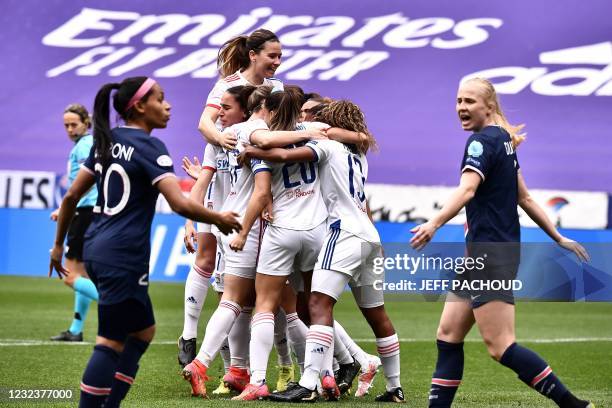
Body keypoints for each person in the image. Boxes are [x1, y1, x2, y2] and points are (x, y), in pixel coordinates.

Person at [49, 76, 241, 408]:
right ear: (139, 106)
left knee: (143, 331)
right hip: (122, 252)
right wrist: (220, 218)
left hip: (97, 245)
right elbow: (179, 203)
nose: (168, 106)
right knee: (110, 341)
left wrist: (57, 246)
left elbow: (69, 197)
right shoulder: (150, 147)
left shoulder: (105, 142)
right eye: (160, 99)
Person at [409, 77, 592, 408]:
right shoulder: (504, 140)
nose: (461, 108)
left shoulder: (481, 143)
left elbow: (467, 190)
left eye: (469, 102)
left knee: (501, 346)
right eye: (458, 101)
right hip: (484, 256)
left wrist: (433, 224)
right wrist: (559, 236)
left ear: (488, 106)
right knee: (448, 336)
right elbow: (525, 197)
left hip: (490, 255)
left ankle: (575, 406)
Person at [239, 100, 405, 403]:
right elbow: (362, 139)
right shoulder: (360, 155)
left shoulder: (328, 148)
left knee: (316, 304)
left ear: (331, 124)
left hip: (343, 234)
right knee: (377, 314)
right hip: (370, 236)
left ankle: (308, 383)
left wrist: (251, 152)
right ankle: (395, 387)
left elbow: (283, 154)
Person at [49, 104, 99, 342]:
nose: (69, 129)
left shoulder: (85, 146)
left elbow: (87, 180)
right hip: (88, 211)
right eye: (66, 125)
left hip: (84, 213)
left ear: (86, 123)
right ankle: (76, 330)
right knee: (83, 276)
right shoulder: (84, 145)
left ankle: (123, 310)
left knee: (69, 276)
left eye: (74, 124)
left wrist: (68, 207)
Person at [199, 28, 283, 150]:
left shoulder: (277, 86)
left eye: (279, 57)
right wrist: (221, 138)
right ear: (253, 55)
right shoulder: (227, 85)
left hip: (261, 160)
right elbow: (204, 123)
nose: (278, 62)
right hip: (228, 163)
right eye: (272, 56)